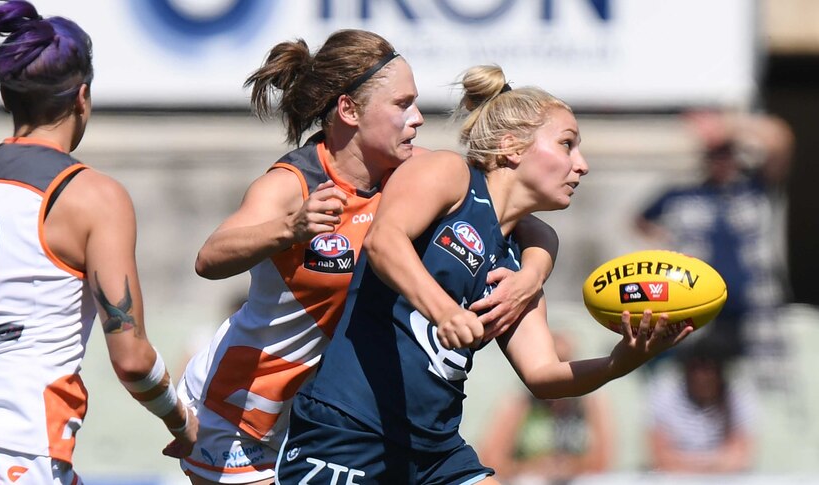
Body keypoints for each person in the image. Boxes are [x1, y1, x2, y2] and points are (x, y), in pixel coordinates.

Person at [274, 65, 692, 484]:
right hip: (350, 427)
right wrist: (446, 312)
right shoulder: (451, 175)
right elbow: (384, 242)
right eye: (567, 145)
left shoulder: (519, 266)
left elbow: (544, 377)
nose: (581, 165)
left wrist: (622, 360)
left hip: (435, 452)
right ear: (511, 146)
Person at [177, 31, 560, 485]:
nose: (417, 119)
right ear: (349, 110)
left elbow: (513, 213)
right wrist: (289, 229)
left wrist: (533, 273)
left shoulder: (410, 172)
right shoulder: (295, 183)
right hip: (240, 412)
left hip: (318, 418)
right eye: (402, 105)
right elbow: (209, 258)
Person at [0, 1, 197, 483]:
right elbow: (132, 359)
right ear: (82, 97)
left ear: (8, 98)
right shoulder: (92, 196)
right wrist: (183, 421)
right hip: (21, 450)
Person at [635, 111, 793, 360]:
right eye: (715, 155)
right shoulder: (683, 193)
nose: (722, 161)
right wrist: (667, 246)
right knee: (695, 374)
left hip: (752, 309)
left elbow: (781, 142)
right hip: (698, 305)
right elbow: (639, 221)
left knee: (758, 379)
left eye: (728, 153)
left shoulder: (754, 188)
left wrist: (731, 126)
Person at [477, 333, 614, 484]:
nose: (559, 375)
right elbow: (491, 461)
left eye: (565, 364)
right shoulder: (520, 402)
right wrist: (533, 467)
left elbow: (602, 462)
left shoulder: (590, 403)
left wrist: (569, 466)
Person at [646, 338, 758, 474]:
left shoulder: (738, 397)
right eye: (695, 368)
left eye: (708, 369)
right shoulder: (664, 394)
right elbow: (661, 457)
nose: (701, 377)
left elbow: (740, 456)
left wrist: (692, 466)